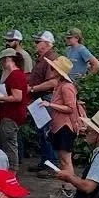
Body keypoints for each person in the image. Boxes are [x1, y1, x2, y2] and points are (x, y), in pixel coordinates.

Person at [44, 56, 80, 198]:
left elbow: (71, 108)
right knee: (63, 160)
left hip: (65, 128)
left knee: (66, 161)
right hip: (59, 127)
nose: (51, 69)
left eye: (53, 68)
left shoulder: (66, 86)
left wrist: (50, 105)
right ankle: (66, 189)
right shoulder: (60, 84)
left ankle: (69, 191)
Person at [0, 47, 29, 169]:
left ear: (8, 60)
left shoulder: (15, 76)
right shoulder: (18, 74)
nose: (1, 64)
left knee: (9, 145)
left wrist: (0, 97)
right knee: (7, 143)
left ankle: (12, 170)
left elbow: (18, 97)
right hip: (11, 115)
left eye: (2, 61)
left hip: (11, 116)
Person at [27, 31, 60, 169]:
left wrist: (33, 88)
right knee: (41, 132)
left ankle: (51, 165)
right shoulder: (42, 58)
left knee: (46, 132)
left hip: (45, 98)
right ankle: (45, 162)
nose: (35, 44)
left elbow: (53, 82)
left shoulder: (51, 58)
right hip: (39, 98)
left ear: (46, 44)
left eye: (37, 42)